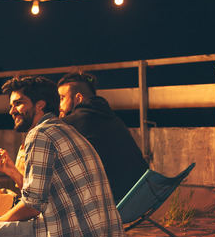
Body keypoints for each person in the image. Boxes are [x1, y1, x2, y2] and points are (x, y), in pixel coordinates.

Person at [0, 76, 126, 237]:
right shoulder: (63, 129)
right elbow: (46, 195)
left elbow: (32, 206)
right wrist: (13, 172)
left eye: (18, 103)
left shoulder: (40, 134)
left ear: (40, 104)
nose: (11, 110)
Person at [57, 71, 149, 202]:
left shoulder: (71, 123)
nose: (59, 105)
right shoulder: (114, 119)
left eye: (62, 98)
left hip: (112, 201)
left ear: (78, 98)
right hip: (142, 196)